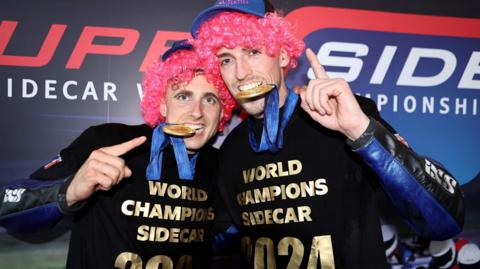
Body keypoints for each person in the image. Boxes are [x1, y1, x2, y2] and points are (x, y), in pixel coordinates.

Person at [190, 0, 465, 268]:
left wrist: (361, 131)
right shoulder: (232, 150)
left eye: (252, 52)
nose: (240, 73)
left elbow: (444, 220)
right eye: (226, 59)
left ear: (283, 54)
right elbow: (212, 241)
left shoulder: (344, 115)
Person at [0, 40, 237, 268]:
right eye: (183, 96)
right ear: (163, 105)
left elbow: (222, 241)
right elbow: (6, 207)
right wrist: (68, 191)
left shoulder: (220, 165)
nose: (197, 112)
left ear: (222, 111)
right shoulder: (106, 141)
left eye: (210, 99)